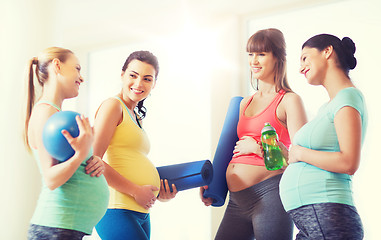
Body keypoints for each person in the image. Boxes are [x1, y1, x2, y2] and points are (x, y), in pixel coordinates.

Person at [200, 28, 307, 240]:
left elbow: (302, 160)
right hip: (236, 200)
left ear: (278, 57)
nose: (254, 61)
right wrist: (213, 182)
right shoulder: (243, 104)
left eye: (261, 54)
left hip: (270, 195)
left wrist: (259, 149)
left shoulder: (289, 101)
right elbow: (229, 151)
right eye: (250, 54)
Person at [279, 34, 367, 240]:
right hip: (313, 218)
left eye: (305, 58)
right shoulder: (327, 107)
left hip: (327, 215)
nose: (300, 68)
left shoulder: (348, 97)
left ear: (327, 51)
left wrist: (299, 152)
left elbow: (348, 162)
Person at [23, 47, 109, 240]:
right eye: (77, 68)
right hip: (55, 229)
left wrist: (92, 160)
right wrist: (81, 155)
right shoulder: (46, 112)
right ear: (57, 66)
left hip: (64, 229)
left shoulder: (55, 113)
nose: (81, 77)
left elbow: (71, 165)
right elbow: (51, 179)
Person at [93, 50, 177, 240]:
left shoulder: (136, 115)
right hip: (116, 208)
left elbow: (129, 160)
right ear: (122, 75)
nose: (139, 83)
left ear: (154, 84)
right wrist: (135, 190)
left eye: (147, 79)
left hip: (139, 211)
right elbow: (93, 160)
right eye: (133, 75)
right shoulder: (113, 106)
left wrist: (157, 192)